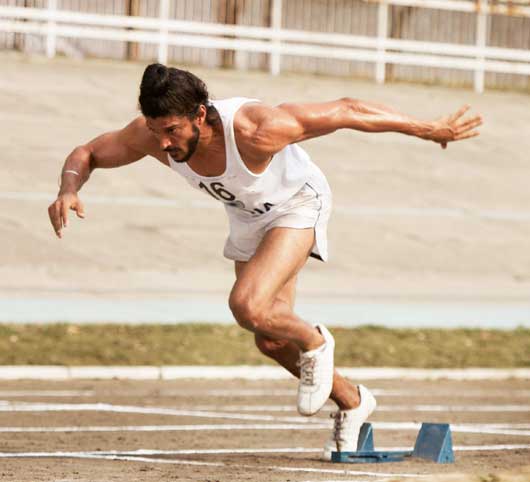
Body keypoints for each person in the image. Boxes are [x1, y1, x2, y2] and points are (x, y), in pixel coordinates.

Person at [48, 63, 482, 459]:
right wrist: (70, 188)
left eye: (172, 131)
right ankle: (352, 401)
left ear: (200, 115)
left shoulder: (258, 129)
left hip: (297, 204)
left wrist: (428, 129)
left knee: (248, 305)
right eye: (156, 130)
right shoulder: (151, 135)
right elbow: (86, 153)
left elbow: (349, 110)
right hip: (248, 216)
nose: (163, 143)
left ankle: (317, 341)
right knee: (269, 338)